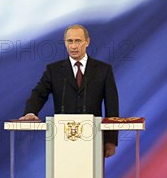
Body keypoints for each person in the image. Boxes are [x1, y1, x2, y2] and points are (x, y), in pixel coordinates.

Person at [20, 24, 120, 157]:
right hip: (62, 139)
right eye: (70, 41)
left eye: (78, 41)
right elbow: (39, 93)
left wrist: (110, 140)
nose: (73, 46)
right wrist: (30, 112)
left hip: (93, 139)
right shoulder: (54, 70)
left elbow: (112, 105)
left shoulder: (103, 70)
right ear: (65, 43)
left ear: (87, 42)